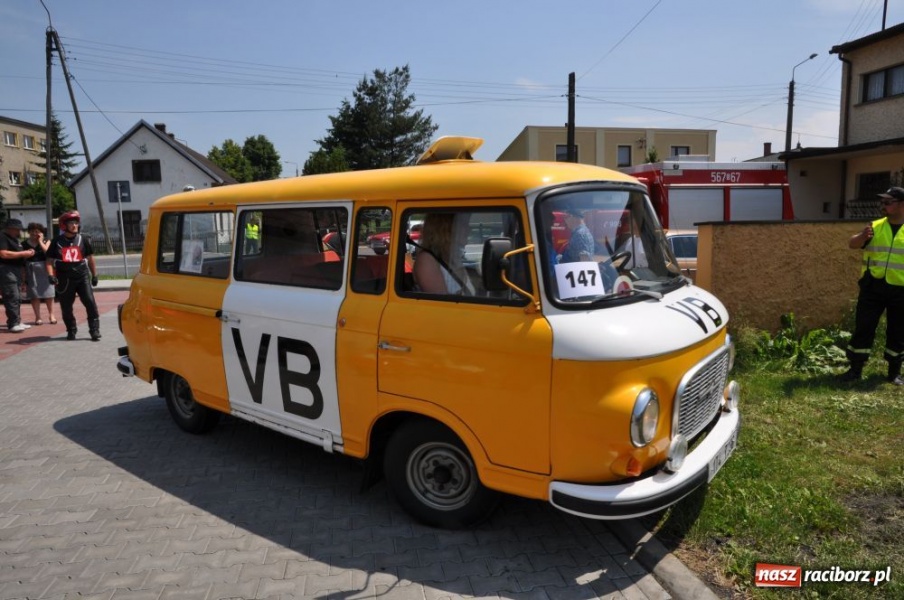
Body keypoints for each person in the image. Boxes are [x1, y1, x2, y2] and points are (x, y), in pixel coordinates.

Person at [839, 186, 904, 385]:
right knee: (864, 327)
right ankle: (855, 370)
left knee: (898, 331)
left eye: (888, 202)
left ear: (902, 205)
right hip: (873, 286)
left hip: (900, 289)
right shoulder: (875, 226)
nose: (883, 205)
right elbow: (852, 244)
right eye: (882, 202)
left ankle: (894, 373)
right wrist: (862, 236)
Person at [46, 211, 102, 341]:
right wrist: (50, 275)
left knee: (90, 302)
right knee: (66, 306)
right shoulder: (56, 242)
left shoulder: (84, 239)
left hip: (82, 276)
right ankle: (71, 329)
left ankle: (94, 330)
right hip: (64, 278)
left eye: (76, 223)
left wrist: (94, 275)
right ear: (64, 225)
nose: (75, 225)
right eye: (71, 223)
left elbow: (90, 258)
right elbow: (49, 260)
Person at [413, 213, 475, 295]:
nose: (469, 229)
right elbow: (442, 301)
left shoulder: (451, 256)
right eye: (463, 224)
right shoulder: (426, 260)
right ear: (447, 229)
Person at [0, 218, 36, 333]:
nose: (19, 231)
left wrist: (26, 253)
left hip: (17, 269)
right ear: (10, 228)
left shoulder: (15, 239)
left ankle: (17, 320)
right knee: (12, 295)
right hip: (6, 269)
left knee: (18, 297)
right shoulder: (2, 237)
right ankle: (13, 323)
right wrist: (23, 253)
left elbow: (17, 252)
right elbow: (3, 254)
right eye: (17, 229)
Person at [22, 222, 57, 325]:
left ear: (41, 233)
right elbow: (22, 259)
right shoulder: (24, 244)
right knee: (34, 294)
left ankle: (51, 315)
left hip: (45, 268)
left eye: (37, 231)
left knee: (49, 293)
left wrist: (40, 242)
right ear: (29, 232)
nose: (34, 233)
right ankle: (38, 317)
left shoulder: (47, 241)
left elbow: (48, 253)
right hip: (31, 269)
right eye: (32, 231)